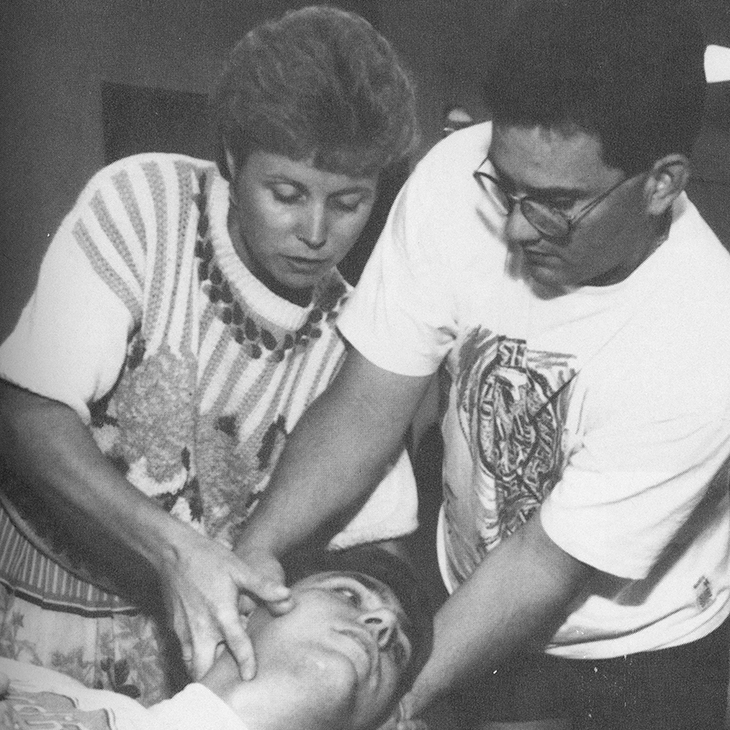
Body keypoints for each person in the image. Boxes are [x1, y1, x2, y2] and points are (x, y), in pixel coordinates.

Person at [232, 1, 730, 728]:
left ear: (661, 183)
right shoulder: (456, 177)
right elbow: (368, 403)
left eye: (557, 204)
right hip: (461, 571)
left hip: (631, 648)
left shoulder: (705, 339)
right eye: (508, 184)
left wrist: (388, 703)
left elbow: (544, 565)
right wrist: (255, 554)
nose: (518, 225)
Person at [0, 5, 419, 705]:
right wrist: (175, 548)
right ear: (230, 156)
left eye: (349, 202)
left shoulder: (357, 336)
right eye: (286, 194)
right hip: (31, 602)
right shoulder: (144, 206)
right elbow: (25, 415)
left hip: (187, 649)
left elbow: (382, 548)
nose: (316, 232)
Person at [0, 545, 433, 730]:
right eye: (348, 594)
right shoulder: (34, 690)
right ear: (242, 612)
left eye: (397, 651)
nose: (382, 626)